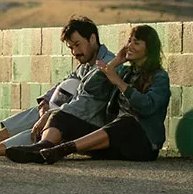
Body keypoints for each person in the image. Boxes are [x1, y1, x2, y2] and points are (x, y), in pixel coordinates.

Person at [0, 16, 115, 161]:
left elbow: (83, 106)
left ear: (92, 39)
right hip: (73, 117)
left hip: (92, 129)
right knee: (41, 111)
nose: (74, 52)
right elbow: (65, 82)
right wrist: (45, 102)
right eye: (71, 48)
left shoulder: (106, 65)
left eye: (77, 44)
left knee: (51, 121)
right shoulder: (86, 64)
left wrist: (49, 115)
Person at [39, 25, 171, 164]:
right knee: (60, 115)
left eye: (136, 43)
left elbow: (148, 106)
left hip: (142, 146)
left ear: (149, 49)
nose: (130, 46)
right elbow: (91, 88)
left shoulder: (159, 77)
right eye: (129, 41)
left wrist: (120, 83)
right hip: (114, 142)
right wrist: (113, 64)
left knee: (128, 122)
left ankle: (63, 149)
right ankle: (42, 148)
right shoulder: (126, 72)